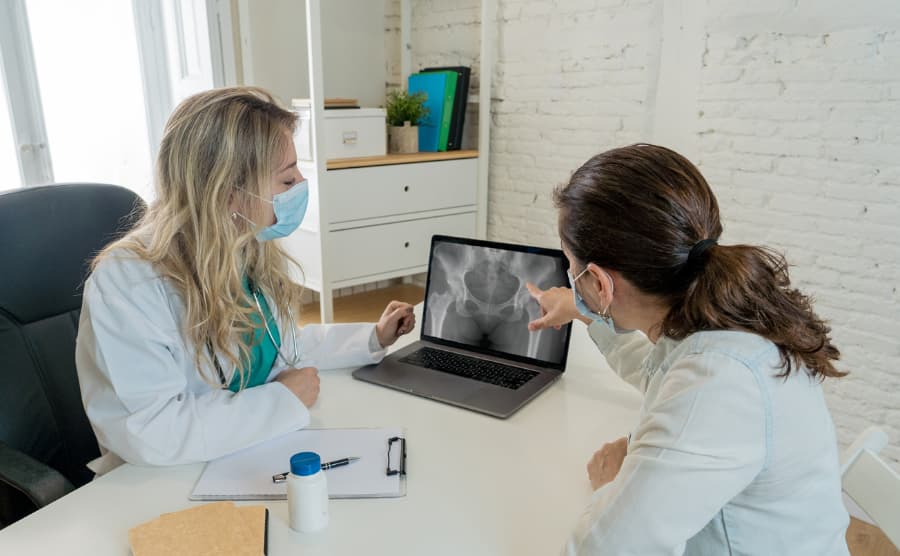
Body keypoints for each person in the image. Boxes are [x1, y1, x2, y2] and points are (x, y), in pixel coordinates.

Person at [526, 144, 850, 555]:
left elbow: (607, 549)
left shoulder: (718, 383)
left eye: (573, 272)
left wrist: (612, 485)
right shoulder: (720, 319)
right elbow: (656, 368)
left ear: (602, 284)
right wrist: (582, 309)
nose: (572, 282)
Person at [76, 87, 414, 474]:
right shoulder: (128, 282)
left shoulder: (244, 247)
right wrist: (282, 400)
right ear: (229, 190)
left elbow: (277, 345)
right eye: (287, 181)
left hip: (247, 453)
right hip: (165, 477)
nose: (300, 186)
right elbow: (153, 431)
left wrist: (372, 337)